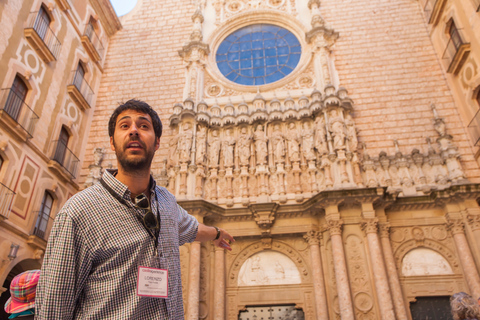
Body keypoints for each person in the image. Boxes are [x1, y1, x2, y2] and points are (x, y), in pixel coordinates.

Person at [36, 99, 234, 319]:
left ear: (157, 142)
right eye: (124, 126)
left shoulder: (166, 202)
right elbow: (53, 306)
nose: (133, 131)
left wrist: (217, 233)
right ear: (112, 142)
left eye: (143, 126)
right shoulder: (79, 211)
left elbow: (190, 227)